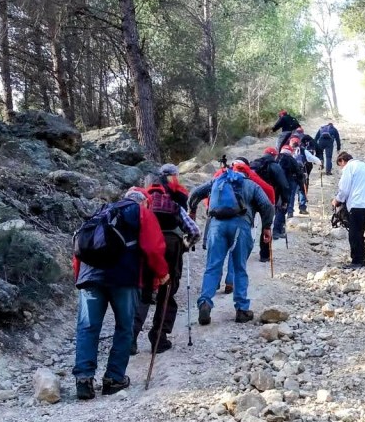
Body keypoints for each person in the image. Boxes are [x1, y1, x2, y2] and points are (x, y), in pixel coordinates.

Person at [72, 188, 169, 400]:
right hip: (123, 278)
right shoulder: (141, 212)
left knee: (87, 327)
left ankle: (84, 379)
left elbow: (81, 246)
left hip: (90, 276)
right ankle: (113, 379)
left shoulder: (103, 211)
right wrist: (162, 274)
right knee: (124, 327)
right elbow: (153, 248)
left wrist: (79, 277)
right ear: (144, 202)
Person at [187, 167, 275, 325]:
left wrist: (192, 211)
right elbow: (267, 205)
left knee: (212, 266)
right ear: (246, 174)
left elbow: (195, 193)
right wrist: (266, 227)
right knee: (239, 267)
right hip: (240, 227)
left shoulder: (217, 181)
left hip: (216, 226)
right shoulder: (251, 185)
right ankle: (241, 309)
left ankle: (205, 302)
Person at [132, 164, 201, 355]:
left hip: (146, 250)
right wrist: (186, 245)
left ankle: (131, 338)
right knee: (167, 293)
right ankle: (159, 338)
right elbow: (194, 231)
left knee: (144, 294)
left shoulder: (144, 204)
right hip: (172, 247)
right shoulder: (174, 205)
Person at [222, 158, 275, 293]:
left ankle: (211, 287)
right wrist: (267, 223)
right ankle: (230, 281)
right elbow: (268, 191)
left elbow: (202, 192)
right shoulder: (250, 177)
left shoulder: (222, 174)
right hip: (241, 220)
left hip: (217, 219)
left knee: (216, 256)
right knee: (236, 251)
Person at [331, 151, 365, 268]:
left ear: (342, 161)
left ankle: (357, 261)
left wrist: (337, 200)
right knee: (360, 232)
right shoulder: (362, 165)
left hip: (357, 204)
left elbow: (344, 189)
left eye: (340, 166)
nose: (341, 168)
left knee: (354, 234)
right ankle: (362, 259)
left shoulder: (349, 167)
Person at [273, 145, 304, 238]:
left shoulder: (276, 159)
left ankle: (280, 227)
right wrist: (302, 185)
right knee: (283, 207)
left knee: (278, 207)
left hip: (275, 187)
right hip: (286, 187)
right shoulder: (291, 160)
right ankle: (276, 230)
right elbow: (299, 174)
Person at [289, 137, 321, 215]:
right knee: (302, 190)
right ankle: (302, 208)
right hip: (302, 173)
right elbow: (312, 158)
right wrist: (320, 163)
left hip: (292, 175)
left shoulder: (289, 151)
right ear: (299, 143)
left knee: (292, 193)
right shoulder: (304, 150)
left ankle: (290, 211)